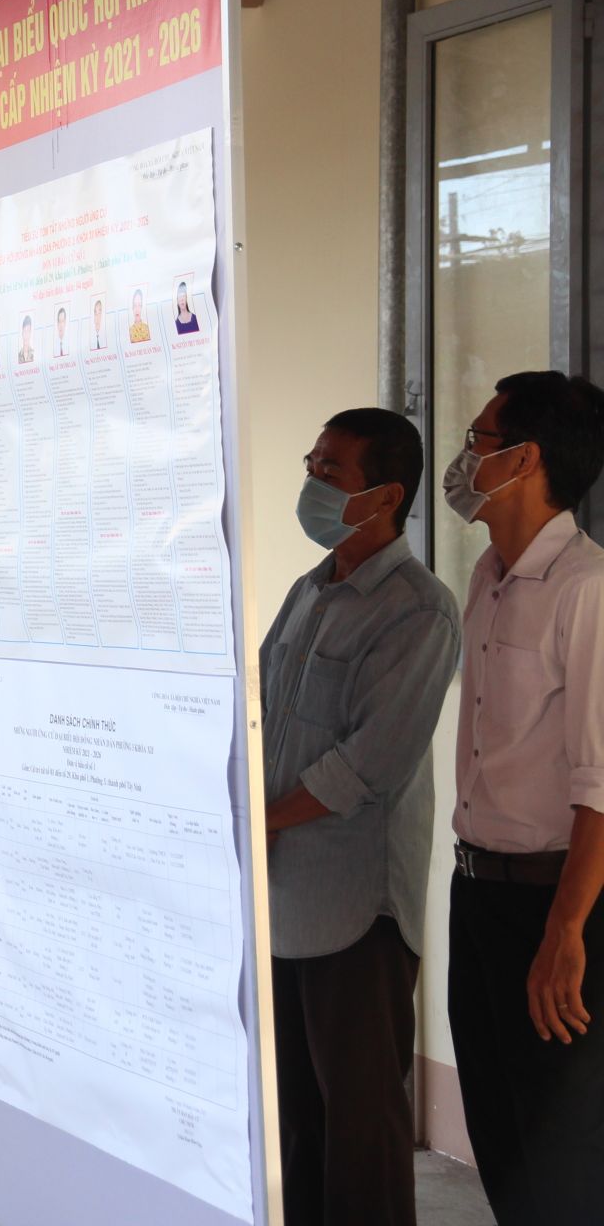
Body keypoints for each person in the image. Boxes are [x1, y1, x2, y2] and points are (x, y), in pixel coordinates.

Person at [260, 408, 460, 1226]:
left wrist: (264, 819)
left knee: (362, 1131)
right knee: (299, 1123)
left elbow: (369, 764)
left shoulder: (419, 610)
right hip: (284, 901)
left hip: (357, 913)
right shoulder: (310, 592)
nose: (310, 481)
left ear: (384, 497)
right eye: (311, 464)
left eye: (329, 470)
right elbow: (266, 716)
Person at [444, 371, 604, 1225]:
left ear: (524, 459)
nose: (464, 458)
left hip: (555, 906)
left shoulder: (587, 588)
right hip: (477, 894)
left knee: (561, 1157)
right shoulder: (488, 575)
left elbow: (600, 789)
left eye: (478, 440)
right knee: (499, 1140)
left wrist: (566, 931)